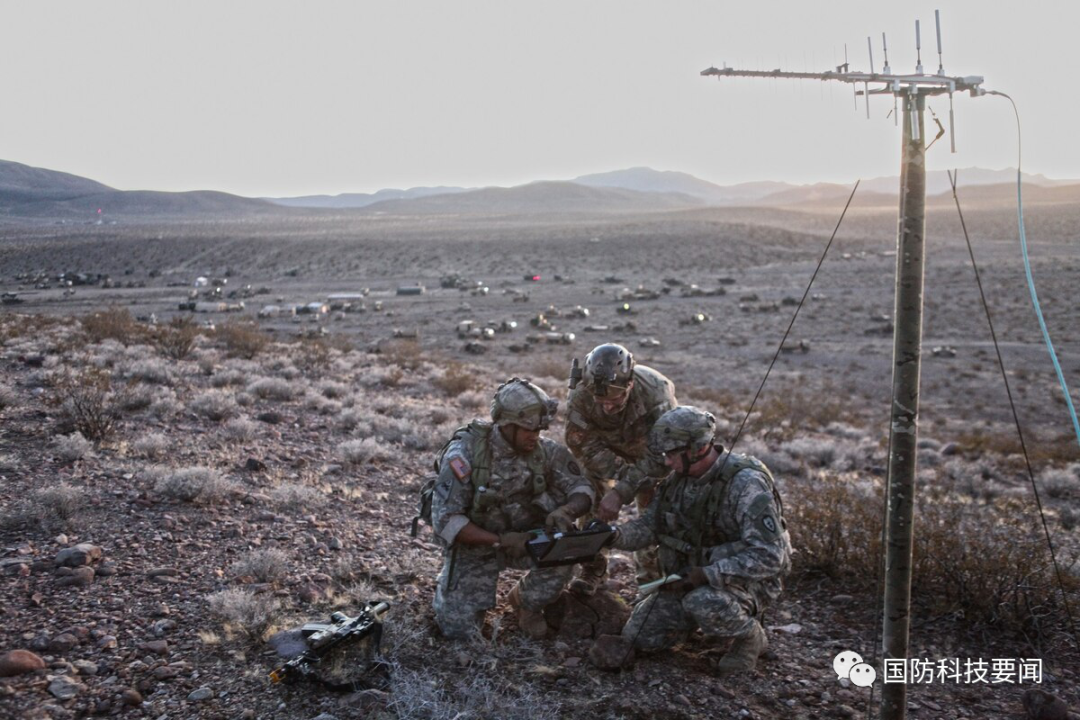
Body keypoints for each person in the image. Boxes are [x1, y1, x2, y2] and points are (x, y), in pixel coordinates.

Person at [611, 406, 791, 675]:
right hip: (689, 577)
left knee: (702, 602)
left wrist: (708, 574)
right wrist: (614, 536)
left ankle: (750, 636)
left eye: (672, 454)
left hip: (748, 580)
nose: (668, 462)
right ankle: (701, 622)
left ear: (696, 448)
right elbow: (651, 526)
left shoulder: (745, 484)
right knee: (639, 636)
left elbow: (771, 556)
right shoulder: (678, 480)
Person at [430, 378, 594, 640]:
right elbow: (447, 521)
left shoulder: (545, 451)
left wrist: (566, 511)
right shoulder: (464, 455)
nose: (535, 436)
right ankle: (452, 587)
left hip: (530, 539)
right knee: (459, 631)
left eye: (539, 429)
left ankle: (526, 603)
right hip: (477, 546)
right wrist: (501, 540)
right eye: (528, 429)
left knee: (567, 551)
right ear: (506, 424)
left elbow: (582, 488)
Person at [564, 343, 676, 593]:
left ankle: (652, 583)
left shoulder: (657, 394)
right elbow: (583, 446)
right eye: (600, 400)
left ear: (630, 385)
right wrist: (616, 484)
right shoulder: (581, 393)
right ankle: (593, 570)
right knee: (589, 497)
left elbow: (662, 456)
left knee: (653, 512)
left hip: (648, 456)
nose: (607, 407)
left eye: (615, 400)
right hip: (604, 453)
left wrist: (622, 490)